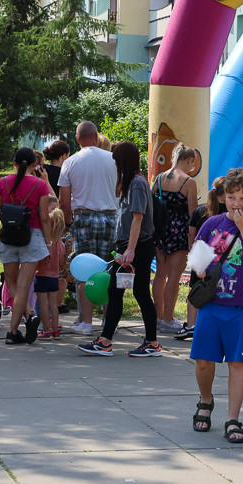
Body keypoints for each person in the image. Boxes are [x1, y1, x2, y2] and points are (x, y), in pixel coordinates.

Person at [190, 166, 243, 444]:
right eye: (232, 196)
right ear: (224, 197)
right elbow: (196, 257)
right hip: (212, 306)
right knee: (203, 361)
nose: (237, 203)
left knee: (238, 363)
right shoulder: (210, 224)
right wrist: (199, 269)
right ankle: (205, 400)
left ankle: (233, 418)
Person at [77, 141, 162, 358]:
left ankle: (147, 343)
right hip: (130, 248)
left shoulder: (136, 183)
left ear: (124, 160)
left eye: (117, 160)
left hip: (137, 248)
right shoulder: (131, 181)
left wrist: (130, 250)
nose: (114, 164)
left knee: (135, 293)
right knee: (121, 292)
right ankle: (110, 341)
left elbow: (137, 218)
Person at [0, 146, 52, 345]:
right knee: (23, 287)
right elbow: (45, 218)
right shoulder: (40, 185)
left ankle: (28, 317)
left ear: (14, 163)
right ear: (34, 164)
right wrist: (48, 243)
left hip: (8, 237)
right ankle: (13, 331)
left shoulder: (3, 182)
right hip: (32, 237)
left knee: (11, 282)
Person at [58, 121, 118, 337]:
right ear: (96, 135)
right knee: (109, 270)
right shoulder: (113, 159)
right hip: (111, 217)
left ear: (77, 139)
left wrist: (68, 222)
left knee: (84, 269)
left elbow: (64, 201)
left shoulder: (70, 162)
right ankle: (109, 320)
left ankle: (85, 322)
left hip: (83, 218)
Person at [152, 143, 199, 333]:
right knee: (174, 276)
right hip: (179, 232)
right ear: (189, 160)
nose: (192, 168)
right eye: (192, 164)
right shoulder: (189, 182)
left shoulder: (159, 178)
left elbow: (151, 201)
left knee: (160, 274)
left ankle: (157, 317)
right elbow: (193, 214)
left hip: (160, 230)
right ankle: (169, 318)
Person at [175, 176, 227, 341]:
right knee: (220, 291)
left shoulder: (200, 210)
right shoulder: (230, 211)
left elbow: (192, 233)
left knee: (195, 289)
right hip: (222, 257)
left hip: (202, 255)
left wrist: (193, 250)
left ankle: (191, 325)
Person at [35, 207, 67, 339]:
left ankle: (46, 330)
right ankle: (55, 329)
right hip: (54, 277)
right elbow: (60, 261)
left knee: (43, 305)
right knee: (54, 305)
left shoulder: (46, 243)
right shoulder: (61, 244)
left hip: (42, 276)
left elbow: (40, 261)